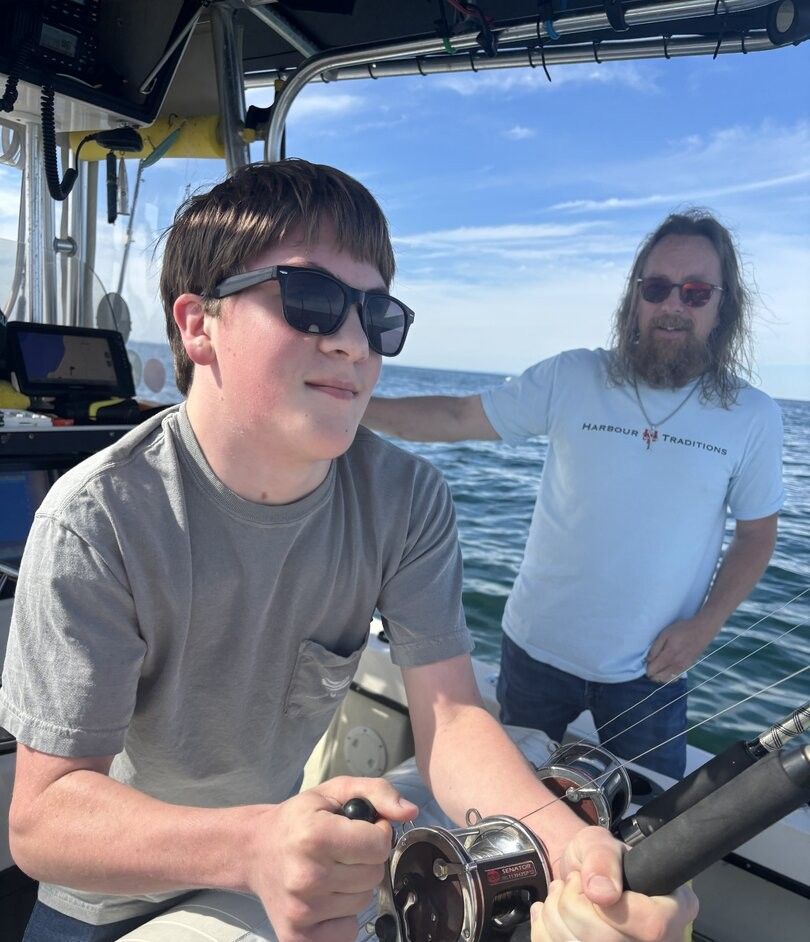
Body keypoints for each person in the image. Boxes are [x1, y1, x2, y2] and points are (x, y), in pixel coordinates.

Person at [0, 161, 695, 942]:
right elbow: (44, 815)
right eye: (312, 301)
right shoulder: (99, 519)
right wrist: (254, 845)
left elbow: (454, 719)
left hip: (282, 870)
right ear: (199, 325)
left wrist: (583, 863)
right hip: (108, 902)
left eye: (377, 316)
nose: (355, 343)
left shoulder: (406, 500)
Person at [364, 208, 783, 780]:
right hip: (535, 654)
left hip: (652, 673)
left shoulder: (752, 416)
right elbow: (458, 414)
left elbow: (757, 535)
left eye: (695, 292)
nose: (673, 307)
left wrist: (705, 626)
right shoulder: (573, 377)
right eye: (657, 288)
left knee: (647, 830)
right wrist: (350, 407)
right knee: (511, 818)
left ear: (723, 304)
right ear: (635, 298)